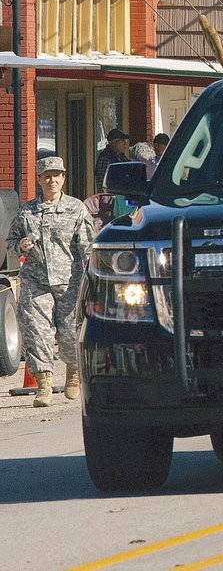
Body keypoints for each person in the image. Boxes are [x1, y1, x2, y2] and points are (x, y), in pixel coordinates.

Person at [6, 156, 95, 406]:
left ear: (63, 178)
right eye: (47, 176)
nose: (52, 180)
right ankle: (43, 386)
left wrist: (93, 274)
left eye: (56, 175)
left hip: (69, 279)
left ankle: (73, 372)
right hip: (36, 280)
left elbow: (88, 245)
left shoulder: (76, 208)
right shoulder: (27, 212)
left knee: (69, 332)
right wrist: (20, 245)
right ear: (39, 180)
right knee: (36, 331)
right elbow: (11, 243)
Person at [94, 127, 132, 194]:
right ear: (115, 142)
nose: (125, 144)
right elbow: (101, 184)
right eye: (122, 141)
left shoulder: (122, 157)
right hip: (111, 199)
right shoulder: (105, 158)